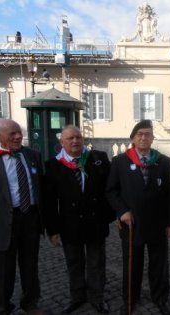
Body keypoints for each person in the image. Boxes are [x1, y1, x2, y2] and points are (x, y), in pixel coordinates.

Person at [106, 120, 170, 315]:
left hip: (158, 224)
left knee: (159, 264)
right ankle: (130, 298)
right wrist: (122, 212)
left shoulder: (163, 161)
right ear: (133, 138)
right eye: (140, 134)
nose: (144, 137)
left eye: (148, 134)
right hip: (131, 224)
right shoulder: (120, 161)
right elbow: (111, 191)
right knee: (132, 264)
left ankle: (160, 298)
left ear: (153, 138)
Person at [43, 125, 114, 314]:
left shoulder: (98, 159)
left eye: (78, 137)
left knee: (96, 263)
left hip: (95, 223)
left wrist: (108, 217)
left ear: (83, 139)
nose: (75, 141)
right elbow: (49, 202)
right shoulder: (53, 165)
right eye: (70, 138)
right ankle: (77, 297)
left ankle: (97, 297)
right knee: (74, 263)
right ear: (62, 142)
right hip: (69, 225)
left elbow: (110, 189)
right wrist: (53, 230)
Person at [0, 119, 44, 314]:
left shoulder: (33, 155)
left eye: (19, 132)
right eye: (12, 134)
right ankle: (1, 308)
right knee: (2, 270)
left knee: (30, 265)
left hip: (29, 218)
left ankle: (30, 303)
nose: (18, 137)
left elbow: (40, 187)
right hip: (1, 224)